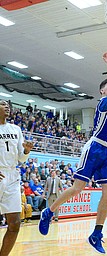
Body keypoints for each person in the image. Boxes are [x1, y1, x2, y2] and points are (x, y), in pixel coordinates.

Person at [38, 52, 107, 254]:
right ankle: (48, 212)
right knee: (78, 188)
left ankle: (96, 233)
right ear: (102, 91)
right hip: (95, 147)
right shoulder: (105, 102)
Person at [0, 100, 33, 256]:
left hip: (12, 176)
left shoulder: (16, 129)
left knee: (15, 223)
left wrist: (26, 151)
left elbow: (21, 159)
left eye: (8, 105)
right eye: (2, 104)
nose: (7, 107)